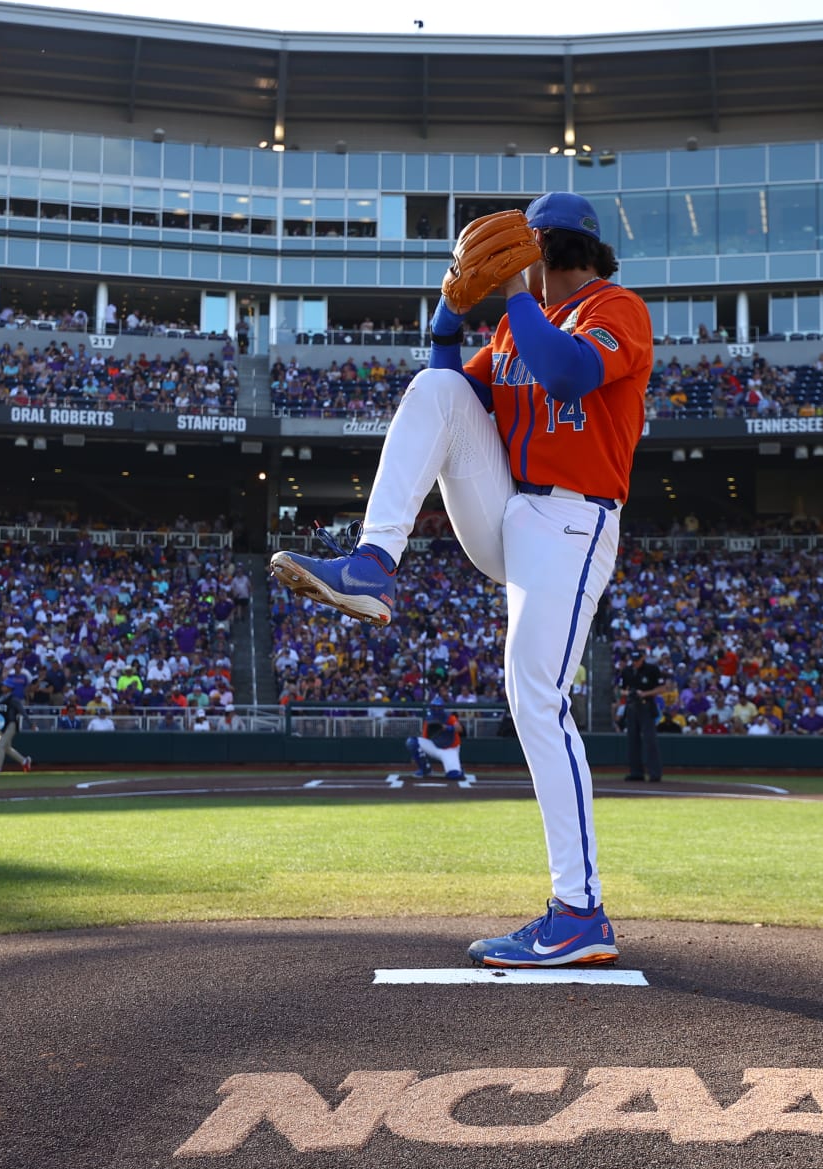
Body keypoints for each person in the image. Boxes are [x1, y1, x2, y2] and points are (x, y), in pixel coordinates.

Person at [269, 191, 652, 969]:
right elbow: (450, 392)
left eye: (524, 251)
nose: (508, 265)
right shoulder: (515, 325)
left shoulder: (619, 308)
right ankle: (373, 564)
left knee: (535, 699)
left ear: (549, 251)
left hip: (574, 523)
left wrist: (514, 291)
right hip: (509, 512)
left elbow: (570, 374)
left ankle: (579, 912)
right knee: (435, 389)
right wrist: (448, 314)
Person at [616, 647, 663, 783]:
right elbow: (621, 690)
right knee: (632, 740)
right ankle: (636, 772)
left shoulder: (652, 670)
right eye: (634, 660)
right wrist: (629, 693)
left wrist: (644, 693)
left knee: (650, 740)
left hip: (646, 705)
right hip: (632, 707)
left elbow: (661, 688)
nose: (635, 662)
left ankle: (655, 773)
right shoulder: (627, 671)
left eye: (637, 660)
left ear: (643, 658)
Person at [407, 697, 464, 780]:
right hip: (435, 746)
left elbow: (459, 728)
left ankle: (458, 768)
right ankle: (425, 769)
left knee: (455, 775)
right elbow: (424, 737)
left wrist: (447, 727)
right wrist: (417, 754)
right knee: (412, 742)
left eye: (438, 707)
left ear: (442, 707)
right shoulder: (429, 719)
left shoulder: (449, 717)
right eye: (434, 707)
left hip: (450, 749)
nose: (436, 709)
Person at [0, 689, 32, 773]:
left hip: (11, 724)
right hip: (2, 725)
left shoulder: (13, 699)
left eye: (6, 685)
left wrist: (30, 724)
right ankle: (25, 761)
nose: (3, 687)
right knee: (6, 748)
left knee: (0, 744)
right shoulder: (0, 699)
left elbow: (22, 711)